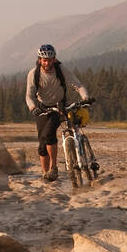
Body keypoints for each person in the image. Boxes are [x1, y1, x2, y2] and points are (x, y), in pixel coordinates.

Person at [25, 44, 90, 182]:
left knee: (49, 134)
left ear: (54, 59)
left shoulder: (61, 70)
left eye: (50, 59)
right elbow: (29, 95)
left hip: (59, 107)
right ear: (39, 60)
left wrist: (85, 97)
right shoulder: (33, 74)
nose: (47, 62)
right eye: (44, 60)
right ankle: (46, 174)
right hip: (42, 109)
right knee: (42, 144)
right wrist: (33, 108)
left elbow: (77, 85)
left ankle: (54, 167)